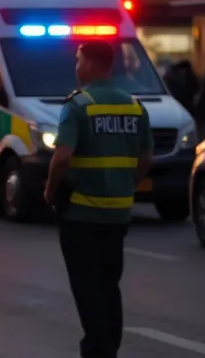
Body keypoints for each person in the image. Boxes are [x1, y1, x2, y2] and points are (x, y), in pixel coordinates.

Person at [43, 40, 153, 358]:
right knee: (108, 283)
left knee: (85, 283)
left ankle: (98, 348)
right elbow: (146, 158)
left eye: (78, 61)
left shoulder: (79, 105)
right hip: (118, 213)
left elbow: (62, 156)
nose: (76, 67)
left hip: (81, 212)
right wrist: (126, 181)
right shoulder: (133, 105)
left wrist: (50, 190)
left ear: (91, 64)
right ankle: (109, 347)